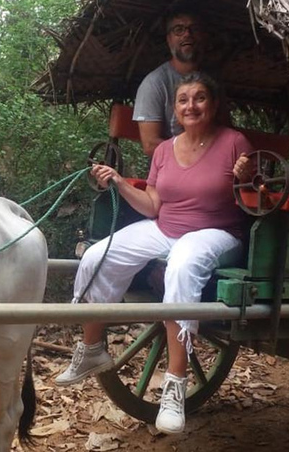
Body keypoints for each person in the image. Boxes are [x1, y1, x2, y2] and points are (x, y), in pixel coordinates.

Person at [55, 72, 254, 435]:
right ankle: (92, 347)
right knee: (98, 255)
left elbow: (252, 199)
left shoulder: (234, 142)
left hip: (217, 233)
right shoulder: (163, 150)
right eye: (183, 100)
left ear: (213, 104)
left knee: (183, 265)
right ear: (175, 109)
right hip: (164, 227)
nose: (191, 106)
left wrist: (246, 175)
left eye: (199, 98)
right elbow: (151, 205)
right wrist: (117, 180)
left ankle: (175, 386)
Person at [134, 8, 208, 156]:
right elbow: (150, 144)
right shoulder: (154, 83)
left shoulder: (212, 80)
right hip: (170, 168)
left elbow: (225, 127)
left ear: (202, 36)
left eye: (193, 29)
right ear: (169, 39)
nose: (187, 34)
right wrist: (197, 153)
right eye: (178, 30)